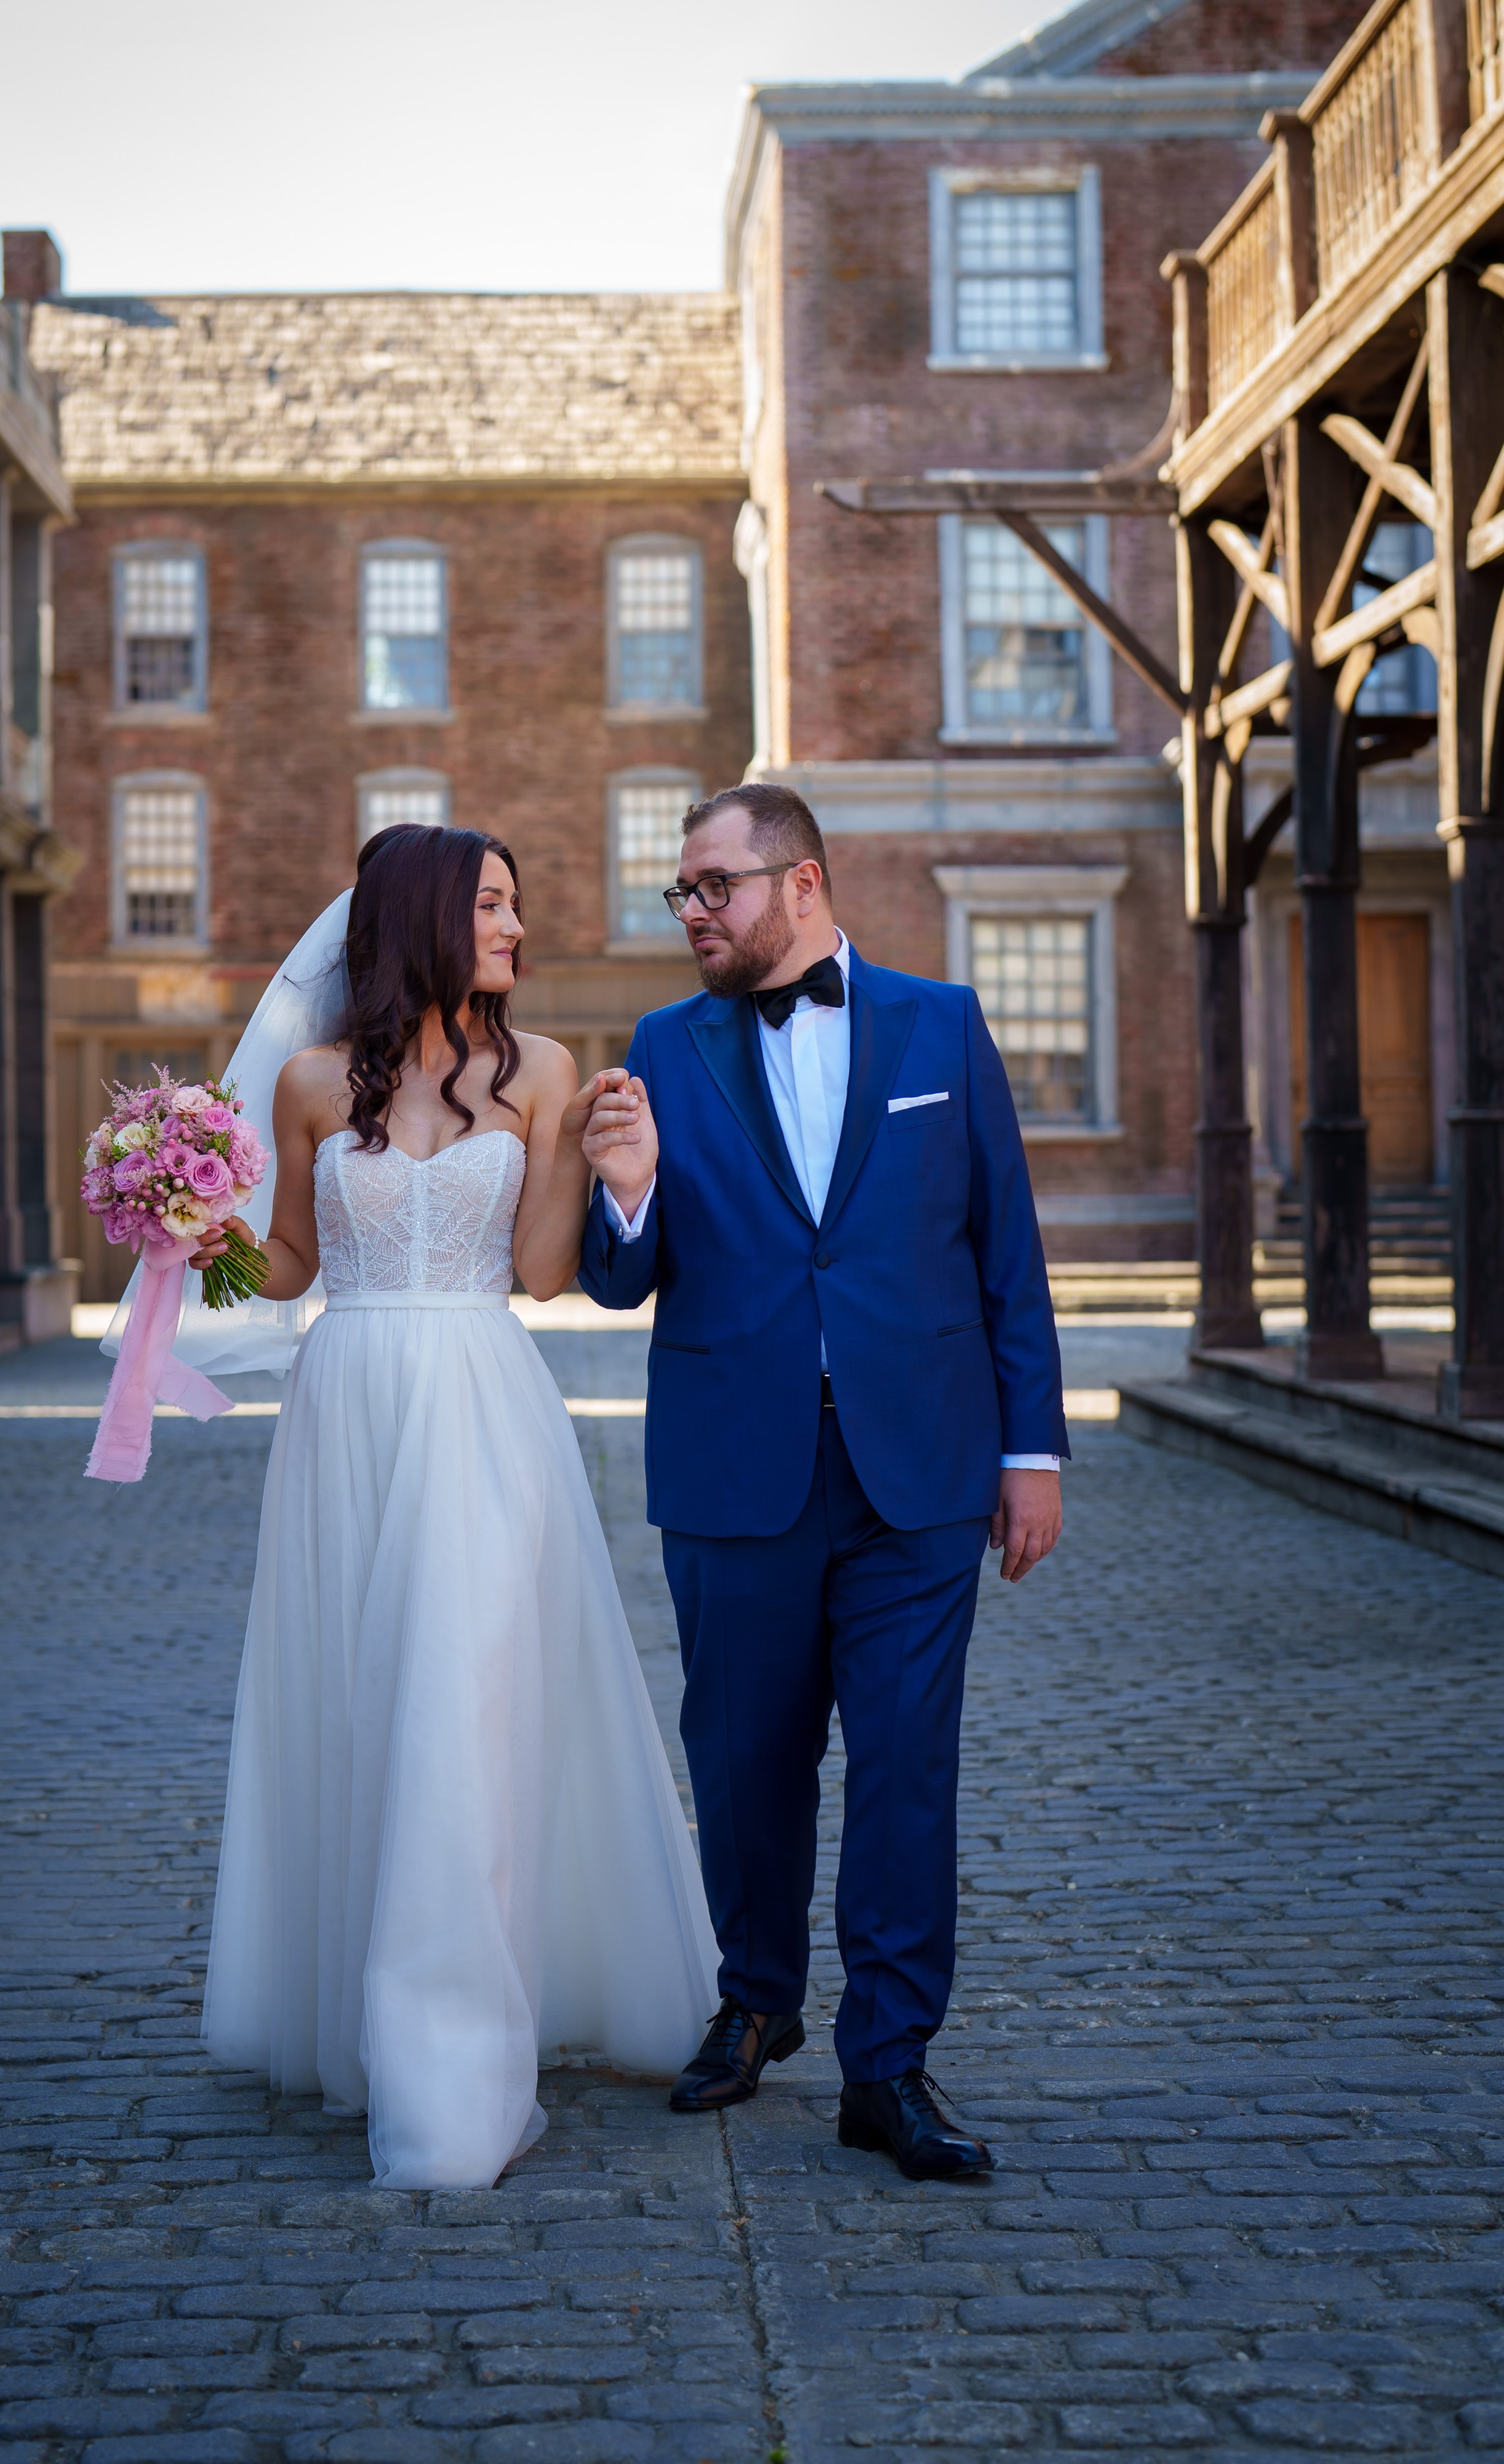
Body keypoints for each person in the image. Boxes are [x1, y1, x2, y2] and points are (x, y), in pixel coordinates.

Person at [193, 823, 718, 2188]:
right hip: (348, 1406)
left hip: (484, 1406)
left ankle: (459, 2067)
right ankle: (380, 2020)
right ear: (424, 915)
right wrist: (199, 1233)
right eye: (491, 904)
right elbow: (291, 1264)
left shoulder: (540, 1072)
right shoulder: (311, 1086)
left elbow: (543, 1272)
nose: (514, 928)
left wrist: (615, 1181)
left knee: (467, 1709)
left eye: (517, 905)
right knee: (362, 1703)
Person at [576, 782, 1067, 2182]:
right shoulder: (662, 1048)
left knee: (908, 1770)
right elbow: (619, 1280)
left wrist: (1029, 1455)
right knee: (742, 1760)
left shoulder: (940, 1026)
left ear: (800, 885)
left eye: (711, 886)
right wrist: (628, 1188)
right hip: (738, 1469)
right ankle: (755, 2002)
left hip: (921, 1472)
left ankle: (891, 2067)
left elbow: (1006, 1258)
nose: (690, 912)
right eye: (680, 891)